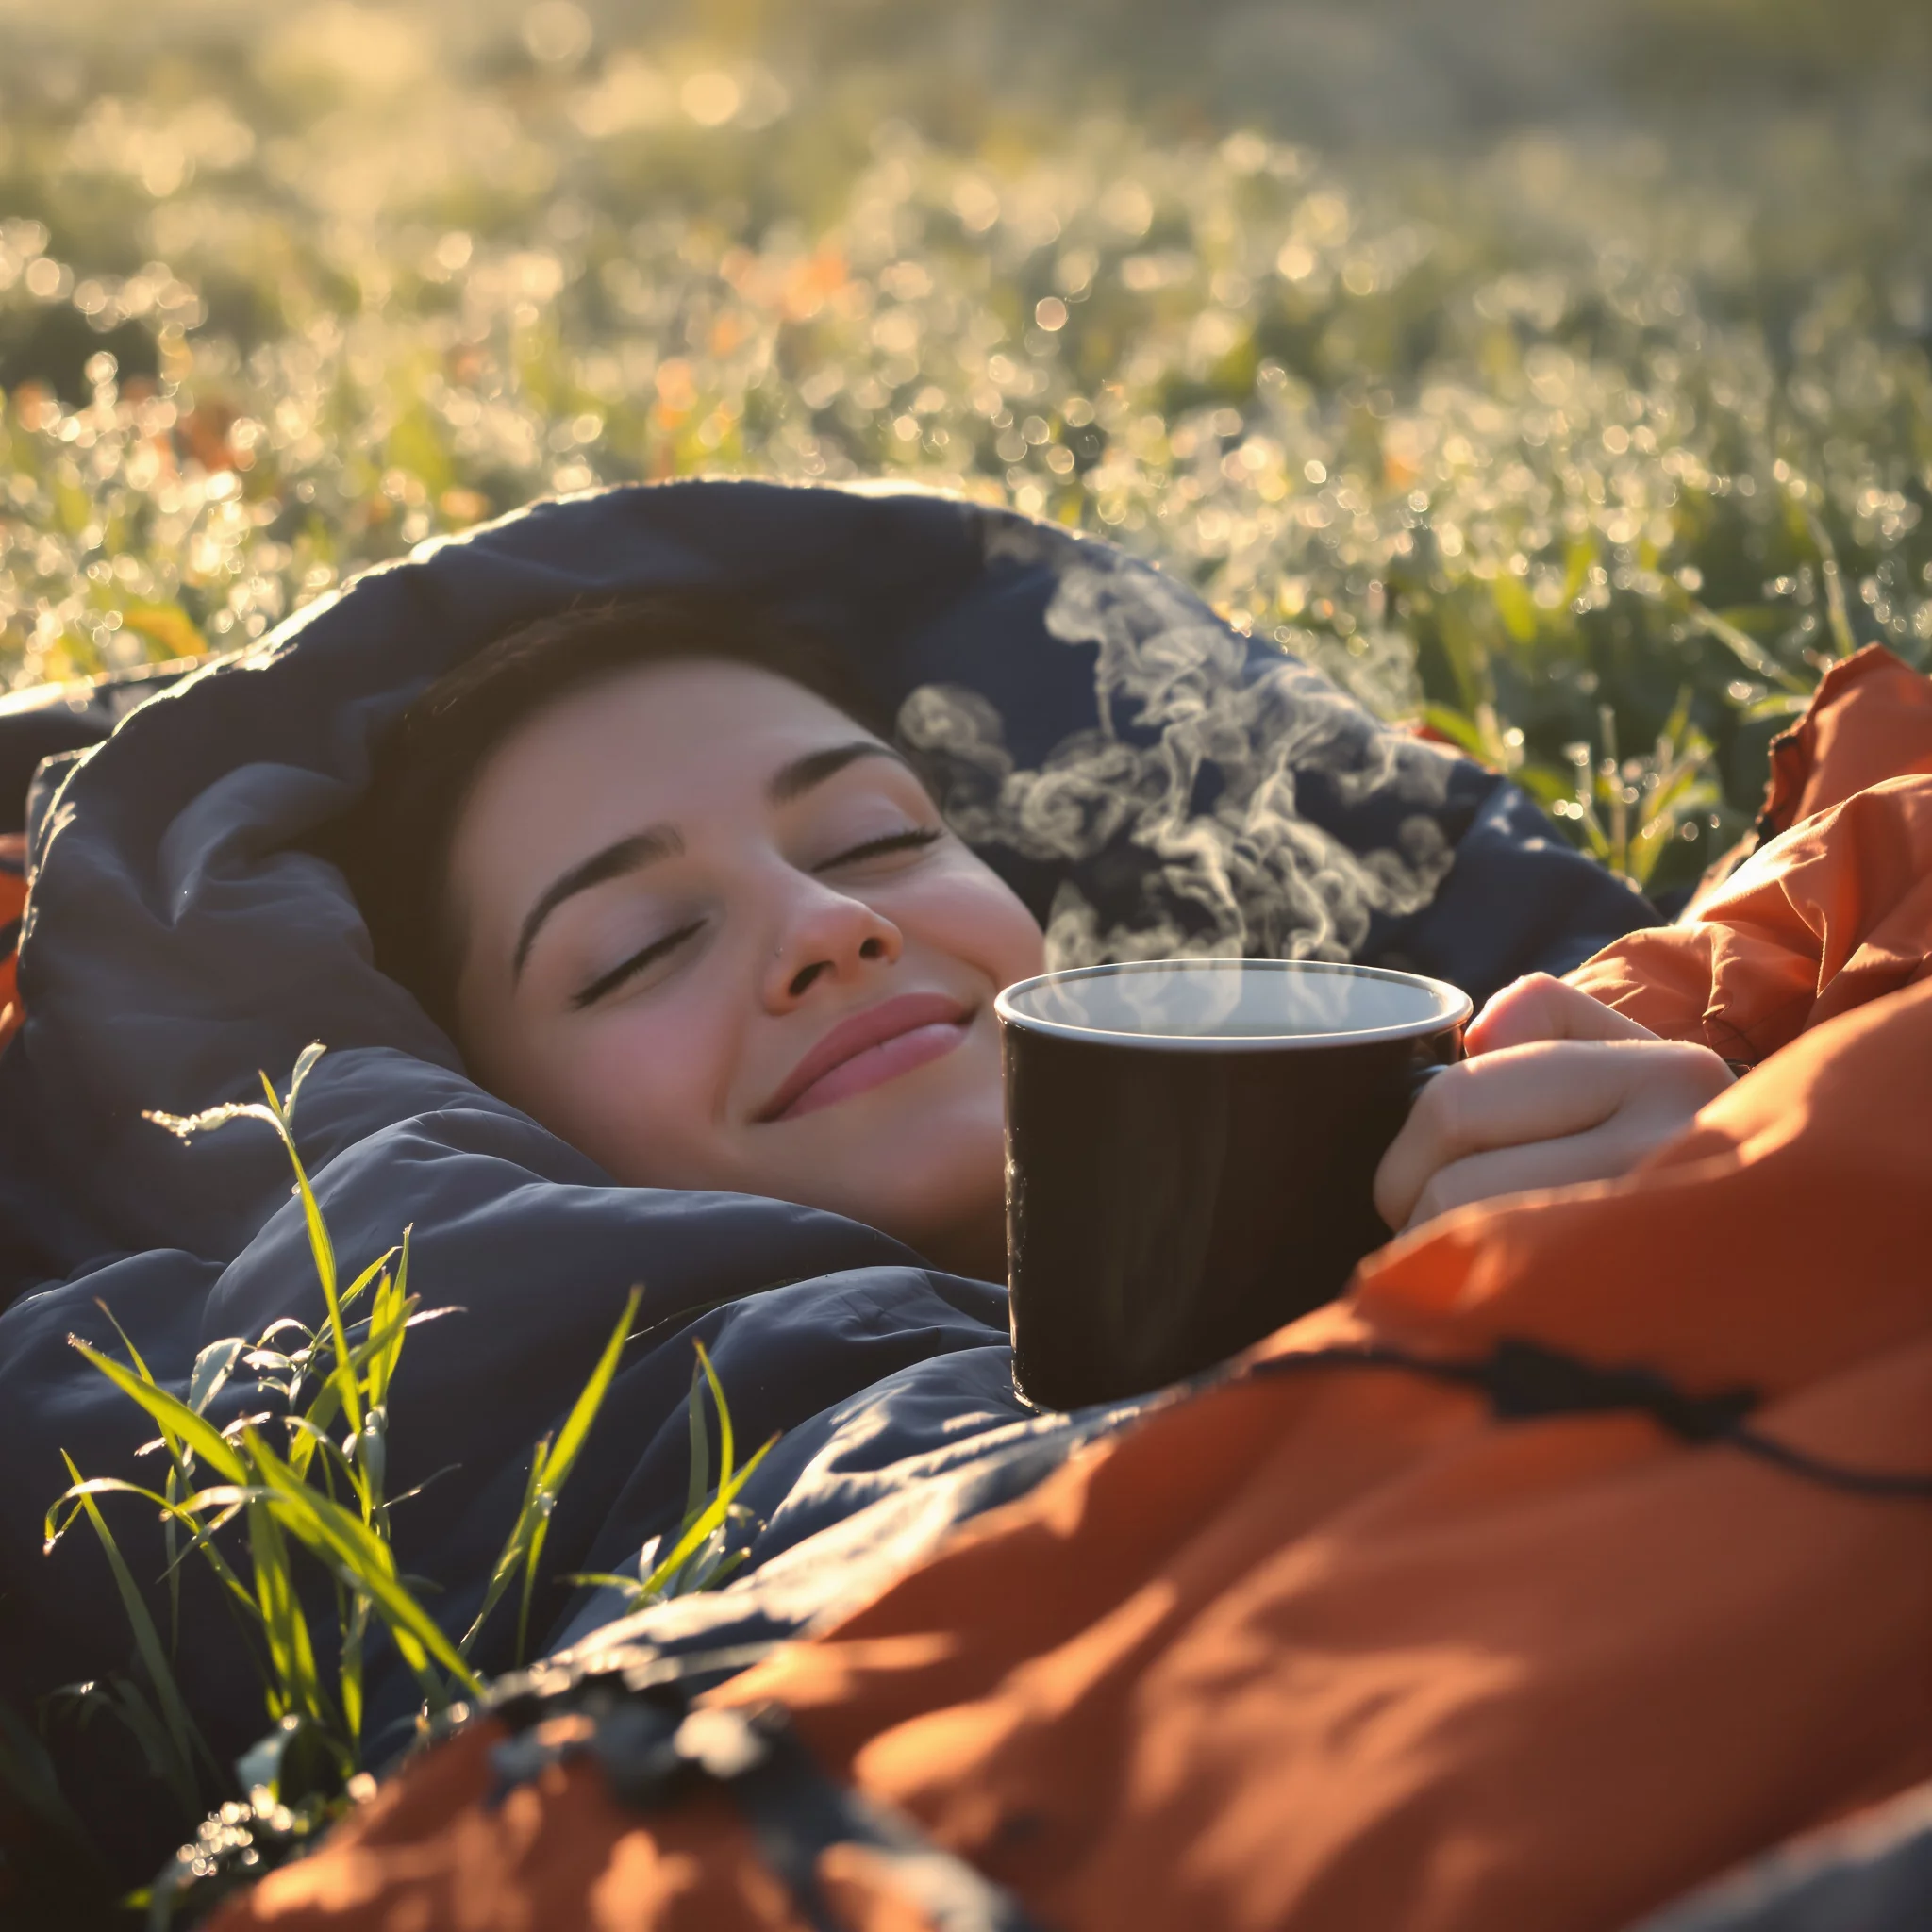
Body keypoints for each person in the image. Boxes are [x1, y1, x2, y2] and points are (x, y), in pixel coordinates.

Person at [344, 587, 1738, 1278]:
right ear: (490, 1117)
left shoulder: (1624, 1110)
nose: (833, 924)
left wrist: (1757, 1202)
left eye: (874, 838)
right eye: (641, 946)